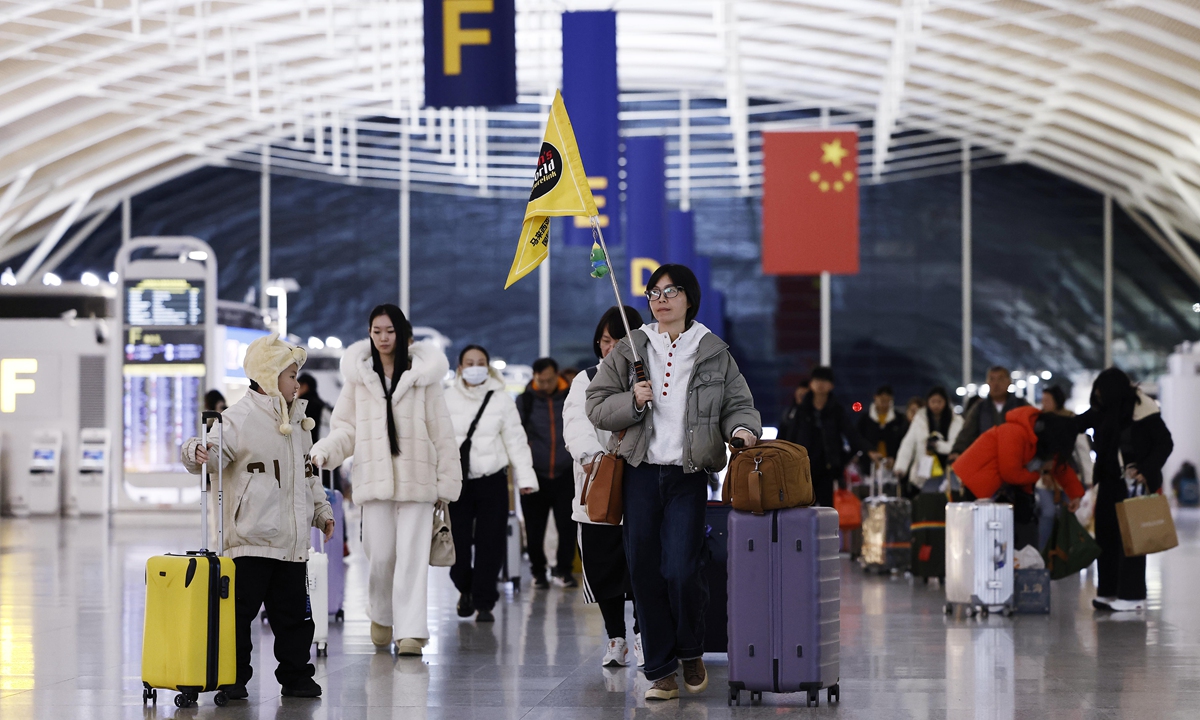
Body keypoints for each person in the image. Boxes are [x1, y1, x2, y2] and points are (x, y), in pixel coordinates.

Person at [587, 264, 761, 701]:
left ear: (689, 298)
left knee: (682, 568)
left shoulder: (712, 350)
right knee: (643, 572)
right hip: (640, 474)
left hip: (687, 476)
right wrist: (632, 400)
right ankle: (661, 668)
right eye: (654, 292)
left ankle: (690, 648)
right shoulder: (631, 346)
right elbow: (597, 404)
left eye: (671, 290)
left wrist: (742, 431)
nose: (661, 298)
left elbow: (738, 404)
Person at [181, 333, 334, 700]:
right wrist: (195, 451)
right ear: (269, 376)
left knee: (295, 617)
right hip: (249, 539)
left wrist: (321, 512)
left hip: (291, 543)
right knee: (237, 617)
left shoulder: (299, 423)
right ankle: (233, 678)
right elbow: (211, 455)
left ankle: (297, 676)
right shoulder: (238, 418)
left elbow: (307, 475)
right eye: (291, 375)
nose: (297, 383)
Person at [310, 304, 461, 656]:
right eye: (376, 331)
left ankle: (410, 632)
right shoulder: (359, 378)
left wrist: (447, 482)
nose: (382, 338)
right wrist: (325, 449)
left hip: (418, 480)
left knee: (412, 556)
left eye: (389, 331)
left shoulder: (424, 377)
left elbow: (442, 432)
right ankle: (381, 613)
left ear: (403, 334)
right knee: (379, 555)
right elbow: (345, 429)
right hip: (374, 479)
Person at [564, 306, 645, 669]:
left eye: (621, 341)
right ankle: (617, 638)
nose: (612, 348)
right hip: (599, 486)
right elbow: (575, 422)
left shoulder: (647, 379)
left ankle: (645, 636)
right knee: (605, 569)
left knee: (643, 568)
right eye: (606, 341)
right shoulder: (586, 379)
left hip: (643, 485)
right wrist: (592, 458)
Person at [444, 344, 537, 623]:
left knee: (490, 543)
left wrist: (526, 478)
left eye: (480, 362)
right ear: (460, 368)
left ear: (488, 367)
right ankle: (466, 587)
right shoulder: (445, 399)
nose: (474, 367)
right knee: (456, 544)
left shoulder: (501, 401)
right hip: (456, 482)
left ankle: (484, 601)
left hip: (492, 481)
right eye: (469, 362)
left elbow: (516, 441)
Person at [1075, 369, 1173, 612]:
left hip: (1133, 483)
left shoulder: (1143, 410)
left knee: (1132, 538)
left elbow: (1164, 443)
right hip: (1109, 482)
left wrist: (1145, 469)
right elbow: (1078, 422)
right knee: (1106, 536)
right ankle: (1109, 591)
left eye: (1100, 392)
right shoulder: (1106, 411)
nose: (1097, 397)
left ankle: (1132, 596)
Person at [953, 406, 1085, 550]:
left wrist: (1075, 495)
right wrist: (1037, 474)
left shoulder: (1040, 439)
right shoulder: (1013, 432)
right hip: (979, 483)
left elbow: (1058, 465)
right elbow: (1010, 473)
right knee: (982, 538)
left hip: (998, 489)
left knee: (1013, 535)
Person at [518, 357, 578, 589]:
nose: (544, 385)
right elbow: (517, 435)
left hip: (565, 473)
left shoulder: (571, 396)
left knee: (567, 526)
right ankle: (538, 572)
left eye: (549, 380)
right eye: (540, 380)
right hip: (535, 474)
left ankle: (563, 570)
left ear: (557, 376)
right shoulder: (526, 401)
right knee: (534, 529)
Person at [778, 366, 870, 508]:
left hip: (828, 470)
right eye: (817, 380)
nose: (820, 384)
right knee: (804, 509)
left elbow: (851, 434)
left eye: (824, 381)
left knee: (828, 511)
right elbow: (791, 437)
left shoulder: (836, 409)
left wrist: (847, 457)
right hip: (804, 468)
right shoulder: (801, 410)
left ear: (831, 385)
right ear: (811, 384)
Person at [1035, 385, 1094, 549]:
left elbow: (1082, 451)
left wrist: (1089, 478)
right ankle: (1043, 552)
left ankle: (1066, 552)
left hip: (1068, 475)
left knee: (1068, 515)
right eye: (1043, 400)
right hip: (1044, 478)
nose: (1044, 404)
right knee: (1048, 514)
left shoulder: (1070, 421)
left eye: (1047, 400)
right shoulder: (1039, 422)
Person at [949, 366, 1028, 461]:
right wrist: (957, 451)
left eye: (1000, 379)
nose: (996, 384)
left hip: (1016, 459)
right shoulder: (980, 407)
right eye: (992, 379)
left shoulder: (1021, 405)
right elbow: (967, 432)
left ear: (1009, 381)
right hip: (988, 461)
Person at [895, 386, 963, 493]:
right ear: (928, 402)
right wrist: (900, 467)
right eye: (933, 401)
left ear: (946, 402)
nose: (936, 405)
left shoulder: (956, 421)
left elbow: (957, 445)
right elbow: (908, 444)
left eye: (939, 401)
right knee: (927, 501)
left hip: (950, 471)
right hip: (925, 473)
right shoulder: (919, 420)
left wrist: (937, 446)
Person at [856, 384, 908, 477]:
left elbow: (904, 441)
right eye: (881, 399)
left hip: (893, 467)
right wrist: (869, 452)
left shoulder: (899, 419)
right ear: (875, 397)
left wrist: (895, 458)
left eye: (887, 399)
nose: (884, 402)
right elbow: (858, 439)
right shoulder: (865, 419)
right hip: (868, 466)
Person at [297, 373, 325, 442]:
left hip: (308, 447)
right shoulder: (322, 405)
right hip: (322, 446)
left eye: (298, 386)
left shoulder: (301, 405)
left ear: (305, 386)